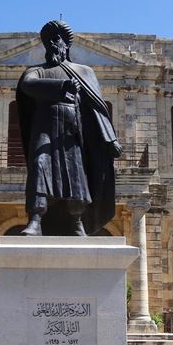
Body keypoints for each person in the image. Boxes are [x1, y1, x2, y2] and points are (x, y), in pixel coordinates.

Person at [16, 20, 122, 236]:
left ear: (66, 44)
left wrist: (110, 140)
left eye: (58, 39)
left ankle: (77, 222)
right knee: (39, 165)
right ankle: (35, 220)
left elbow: (98, 108)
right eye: (49, 40)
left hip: (72, 132)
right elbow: (27, 85)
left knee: (75, 173)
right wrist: (62, 86)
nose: (53, 43)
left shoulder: (84, 71)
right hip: (44, 127)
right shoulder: (36, 71)